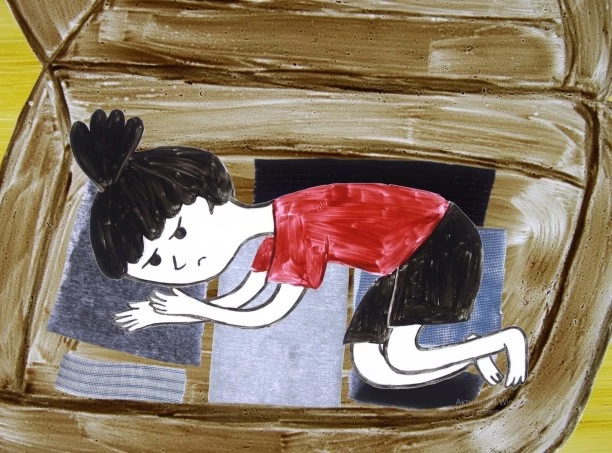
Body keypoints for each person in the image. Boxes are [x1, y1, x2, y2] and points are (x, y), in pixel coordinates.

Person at [70, 109, 528, 389]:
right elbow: (243, 298)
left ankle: (506, 340)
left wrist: (196, 309)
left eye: (179, 235)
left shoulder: (297, 225)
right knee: (374, 367)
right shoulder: (273, 232)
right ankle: (472, 348)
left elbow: (266, 314)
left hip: (441, 242)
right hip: (404, 260)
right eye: (157, 263)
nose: (178, 261)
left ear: (204, 197)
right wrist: (179, 313)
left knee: (403, 357)